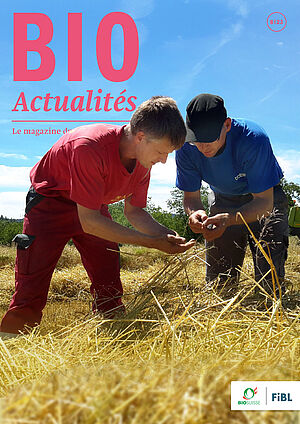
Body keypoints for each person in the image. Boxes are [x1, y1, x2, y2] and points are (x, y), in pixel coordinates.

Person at [0, 96, 195, 336]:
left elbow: (134, 212)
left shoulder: (144, 161)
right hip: (50, 205)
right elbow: (90, 222)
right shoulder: (89, 146)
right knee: (31, 285)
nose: (164, 160)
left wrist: (168, 236)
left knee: (108, 274)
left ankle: (111, 333)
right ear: (141, 137)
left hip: (92, 205)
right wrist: (151, 243)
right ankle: (12, 348)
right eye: (162, 152)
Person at [176, 93, 289, 299]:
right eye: (196, 140)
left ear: (227, 125)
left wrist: (229, 219)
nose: (203, 147)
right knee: (219, 285)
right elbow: (191, 198)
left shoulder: (253, 139)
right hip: (223, 199)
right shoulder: (185, 147)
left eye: (209, 138)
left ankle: (268, 304)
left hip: (266, 197)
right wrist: (195, 212)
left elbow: (264, 203)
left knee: (269, 277)